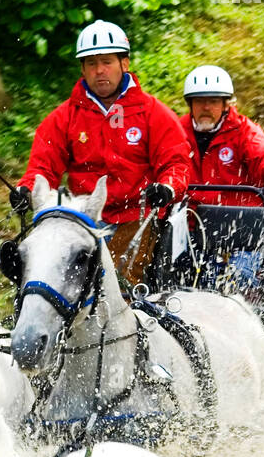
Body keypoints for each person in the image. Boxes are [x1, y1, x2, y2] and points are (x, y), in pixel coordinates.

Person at [10, 20, 193, 283]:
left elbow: (176, 164)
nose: (99, 71)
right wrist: (26, 189)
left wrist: (167, 187)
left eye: (107, 62)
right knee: (48, 273)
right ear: (82, 69)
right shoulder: (64, 117)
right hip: (80, 218)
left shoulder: (154, 113)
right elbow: (42, 168)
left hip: (135, 218)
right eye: (92, 64)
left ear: (124, 63)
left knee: (113, 283)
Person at [179, 65, 264, 207]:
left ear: (225, 105)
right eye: (199, 101)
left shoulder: (243, 130)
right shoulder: (177, 131)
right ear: (190, 104)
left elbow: (261, 153)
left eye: (213, 101)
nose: (206, 107)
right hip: (190, 218)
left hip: (242, 217)